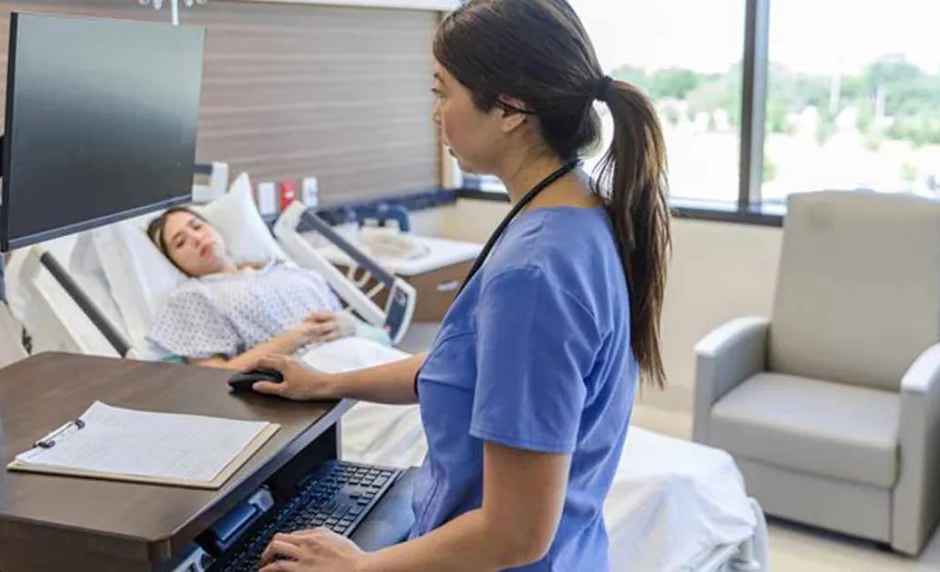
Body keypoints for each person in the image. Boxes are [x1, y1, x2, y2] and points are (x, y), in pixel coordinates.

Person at [245, 1, 672, 570]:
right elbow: (461, 369)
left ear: (511, 108)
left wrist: (359, 567)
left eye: (442, 91)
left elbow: (516, 533)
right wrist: (328, 382)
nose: (435, 113)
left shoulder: (533, 273)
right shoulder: (581, 211)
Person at [145, 206, 350, 371]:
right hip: (314, 374)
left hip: (355, 354)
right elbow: (212, 378)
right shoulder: (192, 296)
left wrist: (345, 325)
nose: (197, 238)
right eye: (181, 242)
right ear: (174, 263)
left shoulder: (281, 268)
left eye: (197, 227)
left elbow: (345, 321)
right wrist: (295, 338)